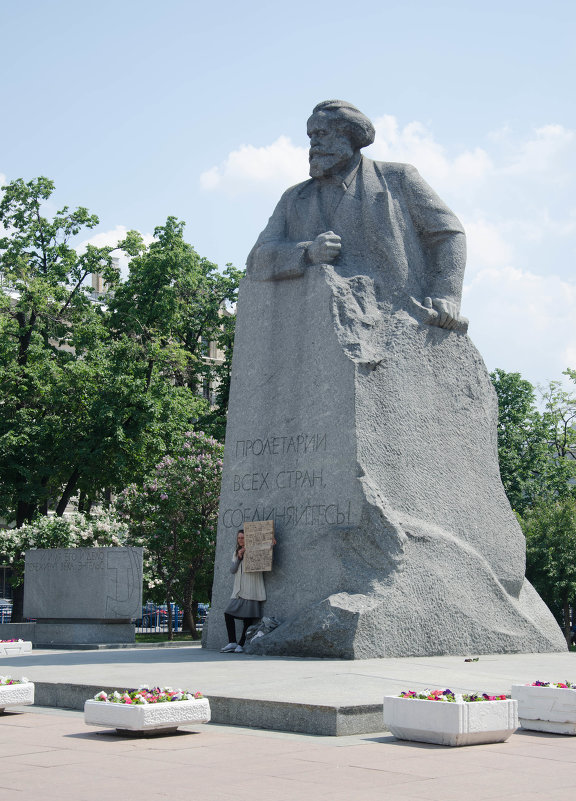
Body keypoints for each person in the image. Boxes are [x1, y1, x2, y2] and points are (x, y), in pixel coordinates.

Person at [247, 99, 468, 332]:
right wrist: (308, 252)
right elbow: (257, 260)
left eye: (322, 133)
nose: (314, 143)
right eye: (311, 136)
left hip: (397, 319)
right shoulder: (294, 197)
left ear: (349, 136)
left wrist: (446, 295)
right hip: (318, 328)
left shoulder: (397, 178)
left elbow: (448, 234)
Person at [220, 528, 266, 653]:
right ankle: (232, 642)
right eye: (239, 538)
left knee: (248, 619)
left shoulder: (255, 551)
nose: (240, 540)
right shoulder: (236, 552)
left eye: (243, 537)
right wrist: (240, 556)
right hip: (238, 590)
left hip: (251, 588)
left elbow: (267, 560)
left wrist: (270, 545)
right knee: (228, 613)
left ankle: (241, 644)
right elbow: (232, 570)